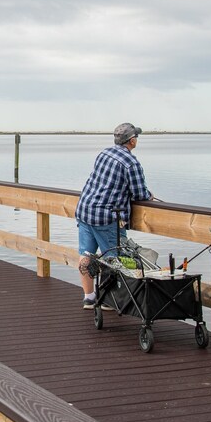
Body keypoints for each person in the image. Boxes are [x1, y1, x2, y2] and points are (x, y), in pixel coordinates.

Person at [75, 122, 154, 309]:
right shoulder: (131, 163)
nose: (137, 140)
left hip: (85, 209)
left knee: (86, 254)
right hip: (106, 216)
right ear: (132, 141)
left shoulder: (104, 153)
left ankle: (89, 297)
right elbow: (139, 194)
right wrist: (149, 195)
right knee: (114, 259)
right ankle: (108, 301)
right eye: (136, 137)